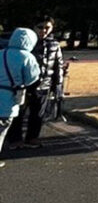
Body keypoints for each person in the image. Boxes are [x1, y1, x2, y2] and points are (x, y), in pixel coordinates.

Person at [20, 17, 64, 147]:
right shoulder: (26, 43)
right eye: (40, 27)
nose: (44, 30)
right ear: (33, 27)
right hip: (24, 84)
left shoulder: (54, 44)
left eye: (47, 28)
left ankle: (32, 137)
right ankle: (15, 139)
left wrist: (58, 86)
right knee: (19, 113)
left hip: (44, 83)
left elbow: (58, 66)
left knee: (38, 113)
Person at [1, 28, 41, 168]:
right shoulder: (27, 57)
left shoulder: (1, 53)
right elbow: (32, 77)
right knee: (1, 129)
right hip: (8, 98)